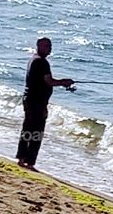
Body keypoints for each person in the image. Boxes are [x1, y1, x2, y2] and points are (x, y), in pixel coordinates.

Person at [16, 37, 74, 170]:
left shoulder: (33, 59)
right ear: (39, 46)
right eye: (47, 46)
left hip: (29, 99)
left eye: (50, 46)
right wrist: (64, 82)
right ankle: (29, 162)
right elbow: (49, 82)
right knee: (36, 132)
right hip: (37, 102)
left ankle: (22, 158)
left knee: (28, 129)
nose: (49, 49)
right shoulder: (41, 63)